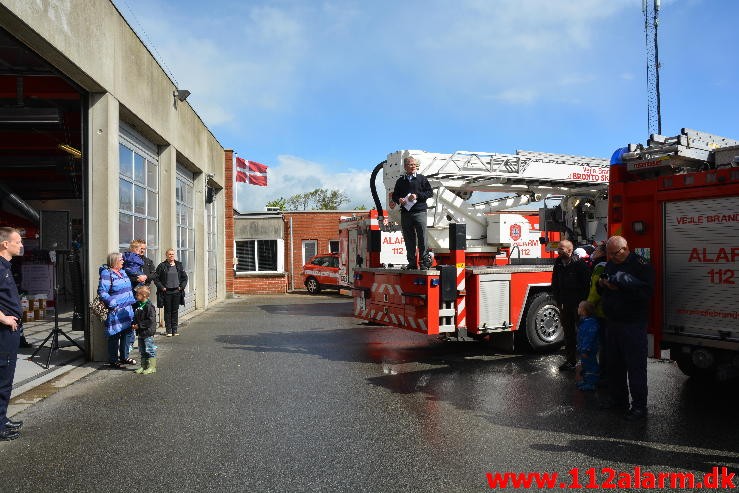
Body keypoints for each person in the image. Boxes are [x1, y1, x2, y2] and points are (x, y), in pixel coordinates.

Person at [598, 235, 654, 421]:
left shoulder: (641, 265)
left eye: (615, 254)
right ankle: (618, 399)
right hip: (613, 322)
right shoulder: (611, 263)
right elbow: (603, 289)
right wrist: (603, 284)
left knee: (635, 367)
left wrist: (621, 286)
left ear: (625, 249)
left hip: (632, 323)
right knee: (615, 365)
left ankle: (639, 407)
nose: (612, 257)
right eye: (609, 254)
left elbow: (646, 292)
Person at [551, 239, 591, 371]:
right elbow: (555, 283)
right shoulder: (558, 263)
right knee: (568, 334)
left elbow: (586, 286)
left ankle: (586, 363)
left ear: (569, 250)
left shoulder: (580, 265)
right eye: (558, 248)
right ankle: (570, 361)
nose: (558, 251)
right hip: (564, 304)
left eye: (561, 249)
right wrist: (558, 301)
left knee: (582, 333)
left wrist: (582, 304)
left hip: (578, 305)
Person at [0, 227, 24, 441]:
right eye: (17, 241)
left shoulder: (6, 267)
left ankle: (2, 418)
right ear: (5, 244)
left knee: (6, 378)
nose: (21, 245)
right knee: (3, 378)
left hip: (11, 332)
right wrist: (3, 317)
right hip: (3, 332)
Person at [391, 156, 434, 269]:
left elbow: (430, 192)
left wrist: (417, 196)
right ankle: (412, 263)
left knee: (422, 237)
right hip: (406, 213)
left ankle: (424, 262)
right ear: (405, 166)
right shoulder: (401, 181)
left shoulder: (422, 179)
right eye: (410, 164)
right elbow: (394, 195)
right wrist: (398, 199)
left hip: (420, 211)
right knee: (409, 239)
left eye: (414, 164)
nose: (413, 166)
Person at [98, 252, 136, 368]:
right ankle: (113, 360)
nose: (123, 261)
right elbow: (102, 292)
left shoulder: (123, 272)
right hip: (116, 310)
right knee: (114, 335)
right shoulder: (107, 273)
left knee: (127, 333)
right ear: (114, 262)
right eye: (121, 260)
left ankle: (124, 357)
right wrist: (112, 303)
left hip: (127, 309)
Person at [153, 249, 188, 336]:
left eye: (172, 254)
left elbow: (185, 277)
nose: (171, 256)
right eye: (169, 254)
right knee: (168, 311)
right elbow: (156, 279)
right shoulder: (162, 266)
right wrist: (162, 287)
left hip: (177, 291)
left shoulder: (178, 265)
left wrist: (181, 287)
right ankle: (168, 330)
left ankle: (175, 330)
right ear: (166, 255)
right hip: (167, 292)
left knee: (175, 311)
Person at [586, 243, 608, 380]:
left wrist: (588, 306)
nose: (595, 251)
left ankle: (604, 375)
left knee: (603, 345)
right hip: (606, 311)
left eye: (598, 249)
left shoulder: (600, 266)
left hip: (600, 311)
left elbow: (595, 291)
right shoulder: (607, 264)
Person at [132, 285, 158, 375]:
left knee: (150, 349)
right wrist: (134, 324)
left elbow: (150, 320)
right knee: (142, 349)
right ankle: (144, 366)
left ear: (144, 295)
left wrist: (139, 325)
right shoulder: (138, 305)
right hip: (141, 332)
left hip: (147, 332)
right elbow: (136, 317)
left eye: (138, 294)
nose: (136, 296)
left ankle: (152, 367)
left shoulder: (149, 307)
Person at [575, 301, 600, 391]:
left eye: (579, 307)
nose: (577, 309)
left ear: (584, 311)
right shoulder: (585, 322)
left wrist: (585, 349)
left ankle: (591, 383)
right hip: (584, 349)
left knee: (590, 366)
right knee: (585, 365)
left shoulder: (590, 324)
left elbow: (588, 338)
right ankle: (586, 381)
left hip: (588, 350)